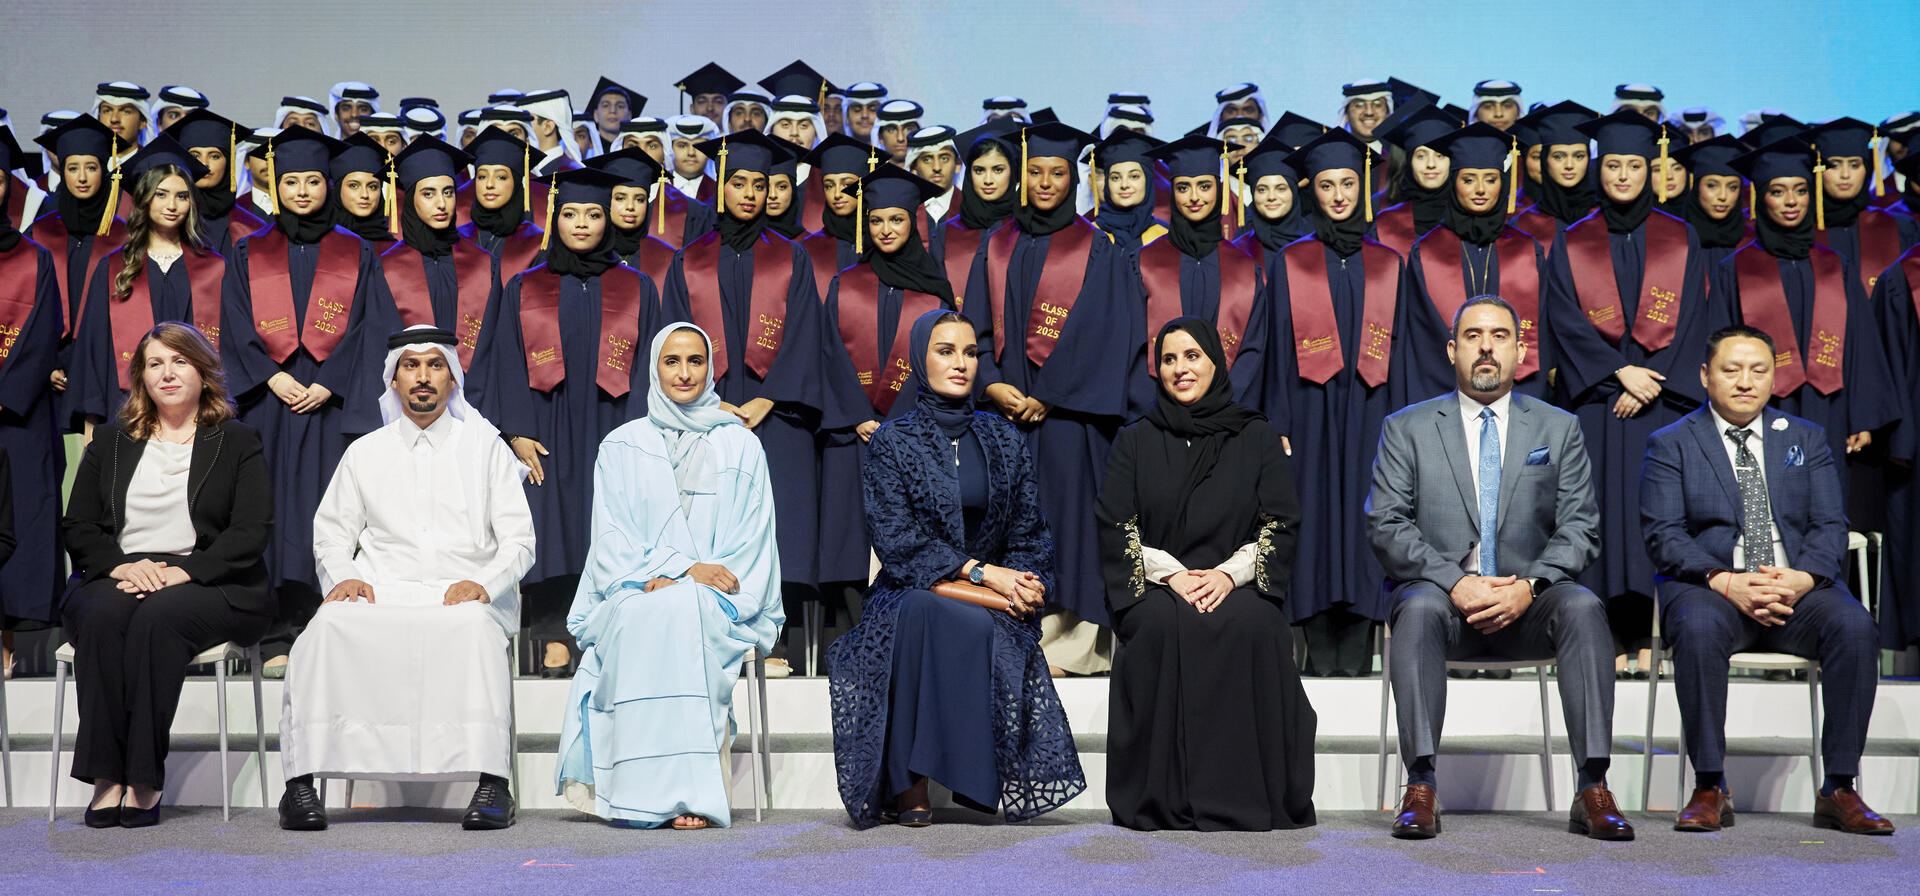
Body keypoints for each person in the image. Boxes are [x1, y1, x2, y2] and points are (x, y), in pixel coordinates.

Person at [1367, 295, 1630, 841]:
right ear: (1452, 350)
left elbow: (1581, 527)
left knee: (1583, 606)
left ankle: (1593, 786)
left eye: (1500, 336)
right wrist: (1457, 583)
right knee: (1413, 609)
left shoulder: (1558, 428)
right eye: (1472, 336)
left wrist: (1529, 586)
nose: (1486, 347)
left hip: (1528, 602)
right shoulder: (1407, 427)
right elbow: (1387, 524)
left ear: (1521, 350)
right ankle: (1420, 785)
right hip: (1442, 601)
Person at [829, 310, 1084, 829]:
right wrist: (984, 574)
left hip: (993, 598)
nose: (962, 363)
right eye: (946, 351)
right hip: (907, 589)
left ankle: (936, 777)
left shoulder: (1004, 438)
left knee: (952, 617)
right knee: (923, 609)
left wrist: (1029, 580)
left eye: (970, 353)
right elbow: (897, 543)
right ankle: (909, 782)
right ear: (920, 359)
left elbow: (1030, 532)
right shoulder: (892, 442)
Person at [278, 326, 534, 832]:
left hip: (465, 592)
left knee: (469, 629)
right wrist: (344, 578)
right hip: (381, 588)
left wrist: (484, 583)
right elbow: (330, 534)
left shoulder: (485, 448)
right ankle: (300, 785)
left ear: (453, 379)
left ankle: (492, 783)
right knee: (325, 629)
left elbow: (519, 541)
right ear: (393, 379)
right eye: (411, 367)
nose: (423, 378)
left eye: (435, 366)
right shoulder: (365, 451)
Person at [1640, 325, 1893, 835]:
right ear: (1706, 376)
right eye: (1731, 370)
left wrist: (1801, 578)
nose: (1745, 382)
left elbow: (1829, 525)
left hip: (1796, 590)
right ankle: (1710, 784)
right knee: (1699, 629)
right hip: (1711, 589)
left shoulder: (1805, 438)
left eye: (1758, 370)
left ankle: (1839, 786)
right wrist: (1726, 580)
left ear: (1774, 378)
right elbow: (1663, 534)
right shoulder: (1672, 442)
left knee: (1855, 627)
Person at [556, 324, 783, 829]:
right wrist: (671, 570)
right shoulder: (621, 444)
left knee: (685, 610)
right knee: (642, 614)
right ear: (654, 369)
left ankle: (688, 795)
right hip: (638, 587)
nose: (684, 373)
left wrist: (690, 581)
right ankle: (636, 792)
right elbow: (610, 538)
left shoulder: (741, 446)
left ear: (710, 368)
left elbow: (753, 539)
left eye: (696, 361)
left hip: (718, 597)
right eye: (672, 361)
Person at [1098, 317, 1312, 831]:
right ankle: (1162, 799)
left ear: (1215, 362)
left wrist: (1227, 575)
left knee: (1254, 625)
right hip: (1160, 583)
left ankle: (1245, 795)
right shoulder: (1135, 440)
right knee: (1156, 627)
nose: (1180, 369)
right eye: (1169, 359)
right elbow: (1115, 524)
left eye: (1192, 356)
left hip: (1233, 580)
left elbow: (1280, 521)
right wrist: (1173, 575)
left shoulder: (1256, 435)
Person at [61, 322, 271, 828]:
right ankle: (106, 776)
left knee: (158, 619)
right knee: (102, 617)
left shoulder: (238, 440)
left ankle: (144, 777)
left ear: (202, 371)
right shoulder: (112, 440)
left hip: (210, 579)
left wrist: (186, 572)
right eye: (155, 363)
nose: (168, 373)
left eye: (179, 361)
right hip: (123, 570)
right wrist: (121, 565)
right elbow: (79, 524)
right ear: (141, 377)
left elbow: (250, 532)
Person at [1542, 110, 1714, 679]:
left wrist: (1648, 379)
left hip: (1661, 407)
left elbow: (1692, 320)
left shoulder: (1680, 238)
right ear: (1599, 167)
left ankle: (1652, 635)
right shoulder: (1573, 241)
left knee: (1656, 516)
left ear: (1650, 170)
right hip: (1598, 407)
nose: (1621, 175)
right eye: (1612, 165)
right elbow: (1564, 321)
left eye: (1633, 166)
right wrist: (1619, 373)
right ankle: (1606, 635)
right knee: (1596, 516)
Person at [961, 121, 1135, 678]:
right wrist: (988, 380)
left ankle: (1070, 646)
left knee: (1069, 523)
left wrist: (1052, 395)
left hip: (1070, 421)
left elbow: (1110, 331)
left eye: (1056, 173)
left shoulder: (1099, 247)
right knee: (1003, 524)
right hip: (1001, 416)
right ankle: (1006, 635)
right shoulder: (996, 244)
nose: (1044, 182)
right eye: (1034, 172)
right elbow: (972, 326)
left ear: (1074, 179)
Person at [1261, 128, 1435, 677]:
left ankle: (1362, 650)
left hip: (1372, 412)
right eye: (1329, 185)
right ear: (1313, 191)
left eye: (1349, 184)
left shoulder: (1389, 264)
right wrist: (1279, 420)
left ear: (1362, 190)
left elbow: (1404, 350)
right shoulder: (1290, 262)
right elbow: (1274, 351)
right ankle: (1311, 653)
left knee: (1369, 520)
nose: (1339, 195)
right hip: (1308, 417)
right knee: (1310, 521)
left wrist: (1405, 425)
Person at [481, 167, 664, 679]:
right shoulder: (523, 286)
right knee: (553, 529)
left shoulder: (638, 287)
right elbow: (505, 362)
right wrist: (515, 432)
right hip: (545, 428)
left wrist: (639, 438)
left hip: (615, 426)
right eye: (570, 214)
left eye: (593, 214)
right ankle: (555, 635)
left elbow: (652, 367)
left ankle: (612, 630)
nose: (581, 224)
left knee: (612, 526)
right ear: (553, 218)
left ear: (608, 220)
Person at [661, 130, 841, 638]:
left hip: (779, 413)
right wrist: (708, 403)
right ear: (720, 186)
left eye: (758, 185)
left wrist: (768, 397)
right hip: (704, 417)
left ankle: (773, 636)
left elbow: (808, 335)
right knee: (712, 522)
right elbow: (673, 340)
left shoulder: (793, 257)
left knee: (779, 522)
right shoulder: (688, 260)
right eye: (737, 182)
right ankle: (712, 631)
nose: (748, 193)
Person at [220, 126, 384, 676]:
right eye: (292, 181)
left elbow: (367, 327)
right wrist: (269, 376)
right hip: (271, 406)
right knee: (269, 512)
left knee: (328, 510)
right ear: (276, 184)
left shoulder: (356, 250)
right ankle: (275, 633)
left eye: (314, 181)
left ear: (328, 184)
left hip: (330, 406)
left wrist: (331, 381)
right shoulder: (248, 251)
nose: (303, 191)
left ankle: (327, 625)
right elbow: (235, 324)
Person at [1711, 138, 1901, 517]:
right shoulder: (1734, 269)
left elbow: (1861, 344)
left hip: (1829, 405)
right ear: (1761, 199)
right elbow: (1719, 348)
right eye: (1778, 192)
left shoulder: (1836, 266)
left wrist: (1862, 416)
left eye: (1800, 190)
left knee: (1826, 508)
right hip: (1759, 409)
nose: (1791, 201)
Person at [820, 166, 958, 611]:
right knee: (848, 534)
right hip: (851, 433)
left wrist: (896, 425)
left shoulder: (936, 294)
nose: (885, 229)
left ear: (914, 222)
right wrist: (858, 415)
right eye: (876, 220)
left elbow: (941, 367)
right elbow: (828, 355)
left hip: (912, 440)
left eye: (896, 219)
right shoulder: (844, 284)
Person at [69, 137, 227, 434]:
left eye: (182, 196)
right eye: (161, 194)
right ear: (144, 199)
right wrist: (92, 426)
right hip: (127, 404)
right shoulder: (114, 268)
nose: (172, 205)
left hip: (198, 411)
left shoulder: (214, 267)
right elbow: (93, 352)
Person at [1405, 123, 1551, 402]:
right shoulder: (1425, 252)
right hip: (1441, 394)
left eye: (1491, 179)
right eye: (1469, 179)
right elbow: (1419, 340)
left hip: (1517, 395)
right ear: (1454, 182)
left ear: (1504, 183)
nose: (1480, 189)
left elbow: (1540, 335)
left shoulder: (1526, 250)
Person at [1131, 135, 1265, 417]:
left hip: (1227, 415)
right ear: (1172, 193)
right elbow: (1132, 346)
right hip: (1156, 414)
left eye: (1204, 186)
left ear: (1218, 189)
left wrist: (1225, 400)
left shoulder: (1244, 267)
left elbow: (1253, 348)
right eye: (1183, 187)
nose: (1194, 197)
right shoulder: (1145, 262)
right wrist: (1157, 408)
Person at [0, 125, 64, 674]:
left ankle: (13, 642)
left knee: (21, 521)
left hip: (16, 416)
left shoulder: (33, 257)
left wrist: (6, 395)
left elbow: (44, 333)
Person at [369, 136, 500, 392]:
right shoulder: (387, 268)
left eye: (448, 192)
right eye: (428, 194)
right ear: (411, 200)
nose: (441, 203)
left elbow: (497, 347)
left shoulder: (484, 264)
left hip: (478, 400)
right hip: (409, 403)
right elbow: (375, 349)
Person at [30, 114, 128, 361]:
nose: (82, 178)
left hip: (106, 358)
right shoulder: (40, 232)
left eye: (91, 167)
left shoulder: (125, 236)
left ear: (104, 169)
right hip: (48, 359)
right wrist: (49, 364)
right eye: (73, 168)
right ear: (63, 171)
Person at [162, 109, 267, 258]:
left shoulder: (250, 227)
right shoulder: (164, 217)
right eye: (195, 155)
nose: (204, 164)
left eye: (215, 156)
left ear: (228, 162)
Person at [457, 128, 547, 282]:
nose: (489, 184)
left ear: (517, 183)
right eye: (482, 176)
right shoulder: (458, 238)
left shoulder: (537, 244)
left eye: (501, 177)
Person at [1507, 101, 1600, 248]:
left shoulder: (1605, 217)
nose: (1569, 166)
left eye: (1579, 156)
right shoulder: (1521, 224)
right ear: (1546, 160)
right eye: (1558, 156)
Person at [1091, 128, 1165, 251]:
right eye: (1115, 177)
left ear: (1148, 180)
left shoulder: (1165, 237)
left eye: (1134, 176)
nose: (1124, 185)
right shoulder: (1089, 235)